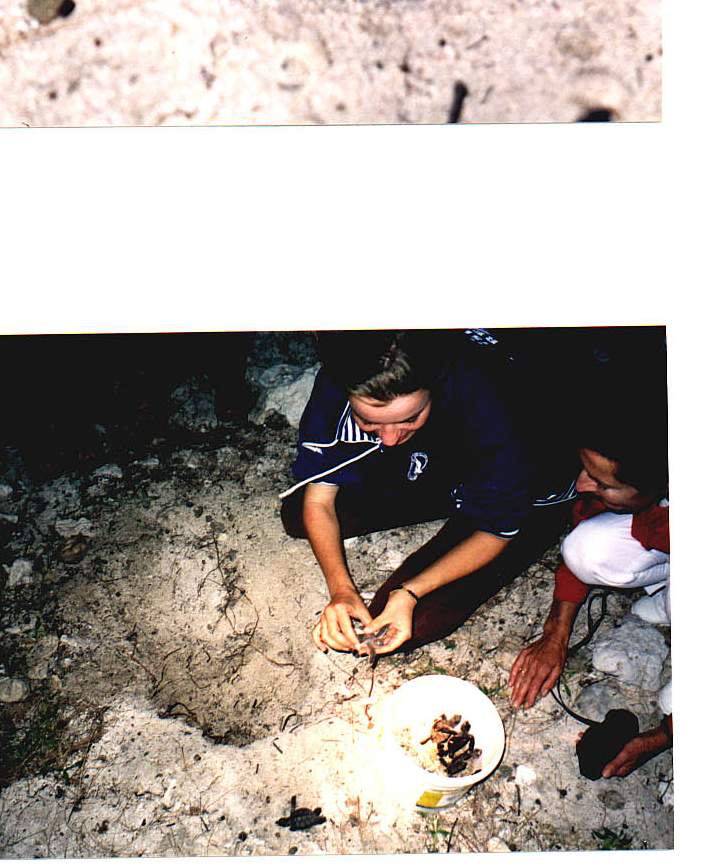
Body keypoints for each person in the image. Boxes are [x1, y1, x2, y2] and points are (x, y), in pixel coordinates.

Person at [281, 330, 579, 659]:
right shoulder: (342, 377)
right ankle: (427, 467)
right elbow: (319, 502)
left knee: (404, 623)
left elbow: (495, 532)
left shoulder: (494, 414)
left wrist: (409, 593)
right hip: (441, 464)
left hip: (525, 492)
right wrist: (342, 590)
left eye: (410, 418)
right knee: (298, 514)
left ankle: (454, 499)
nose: (391, 439)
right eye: (368, 420)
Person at [508, 375, 670, 779]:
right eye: (586, 471)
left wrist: (663, 736)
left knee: (676, 700)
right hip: (660, 520)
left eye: (604, 484)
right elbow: (584, 532)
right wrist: (555, 633)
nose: (583, 485)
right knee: (584, 550)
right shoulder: (630, 469)